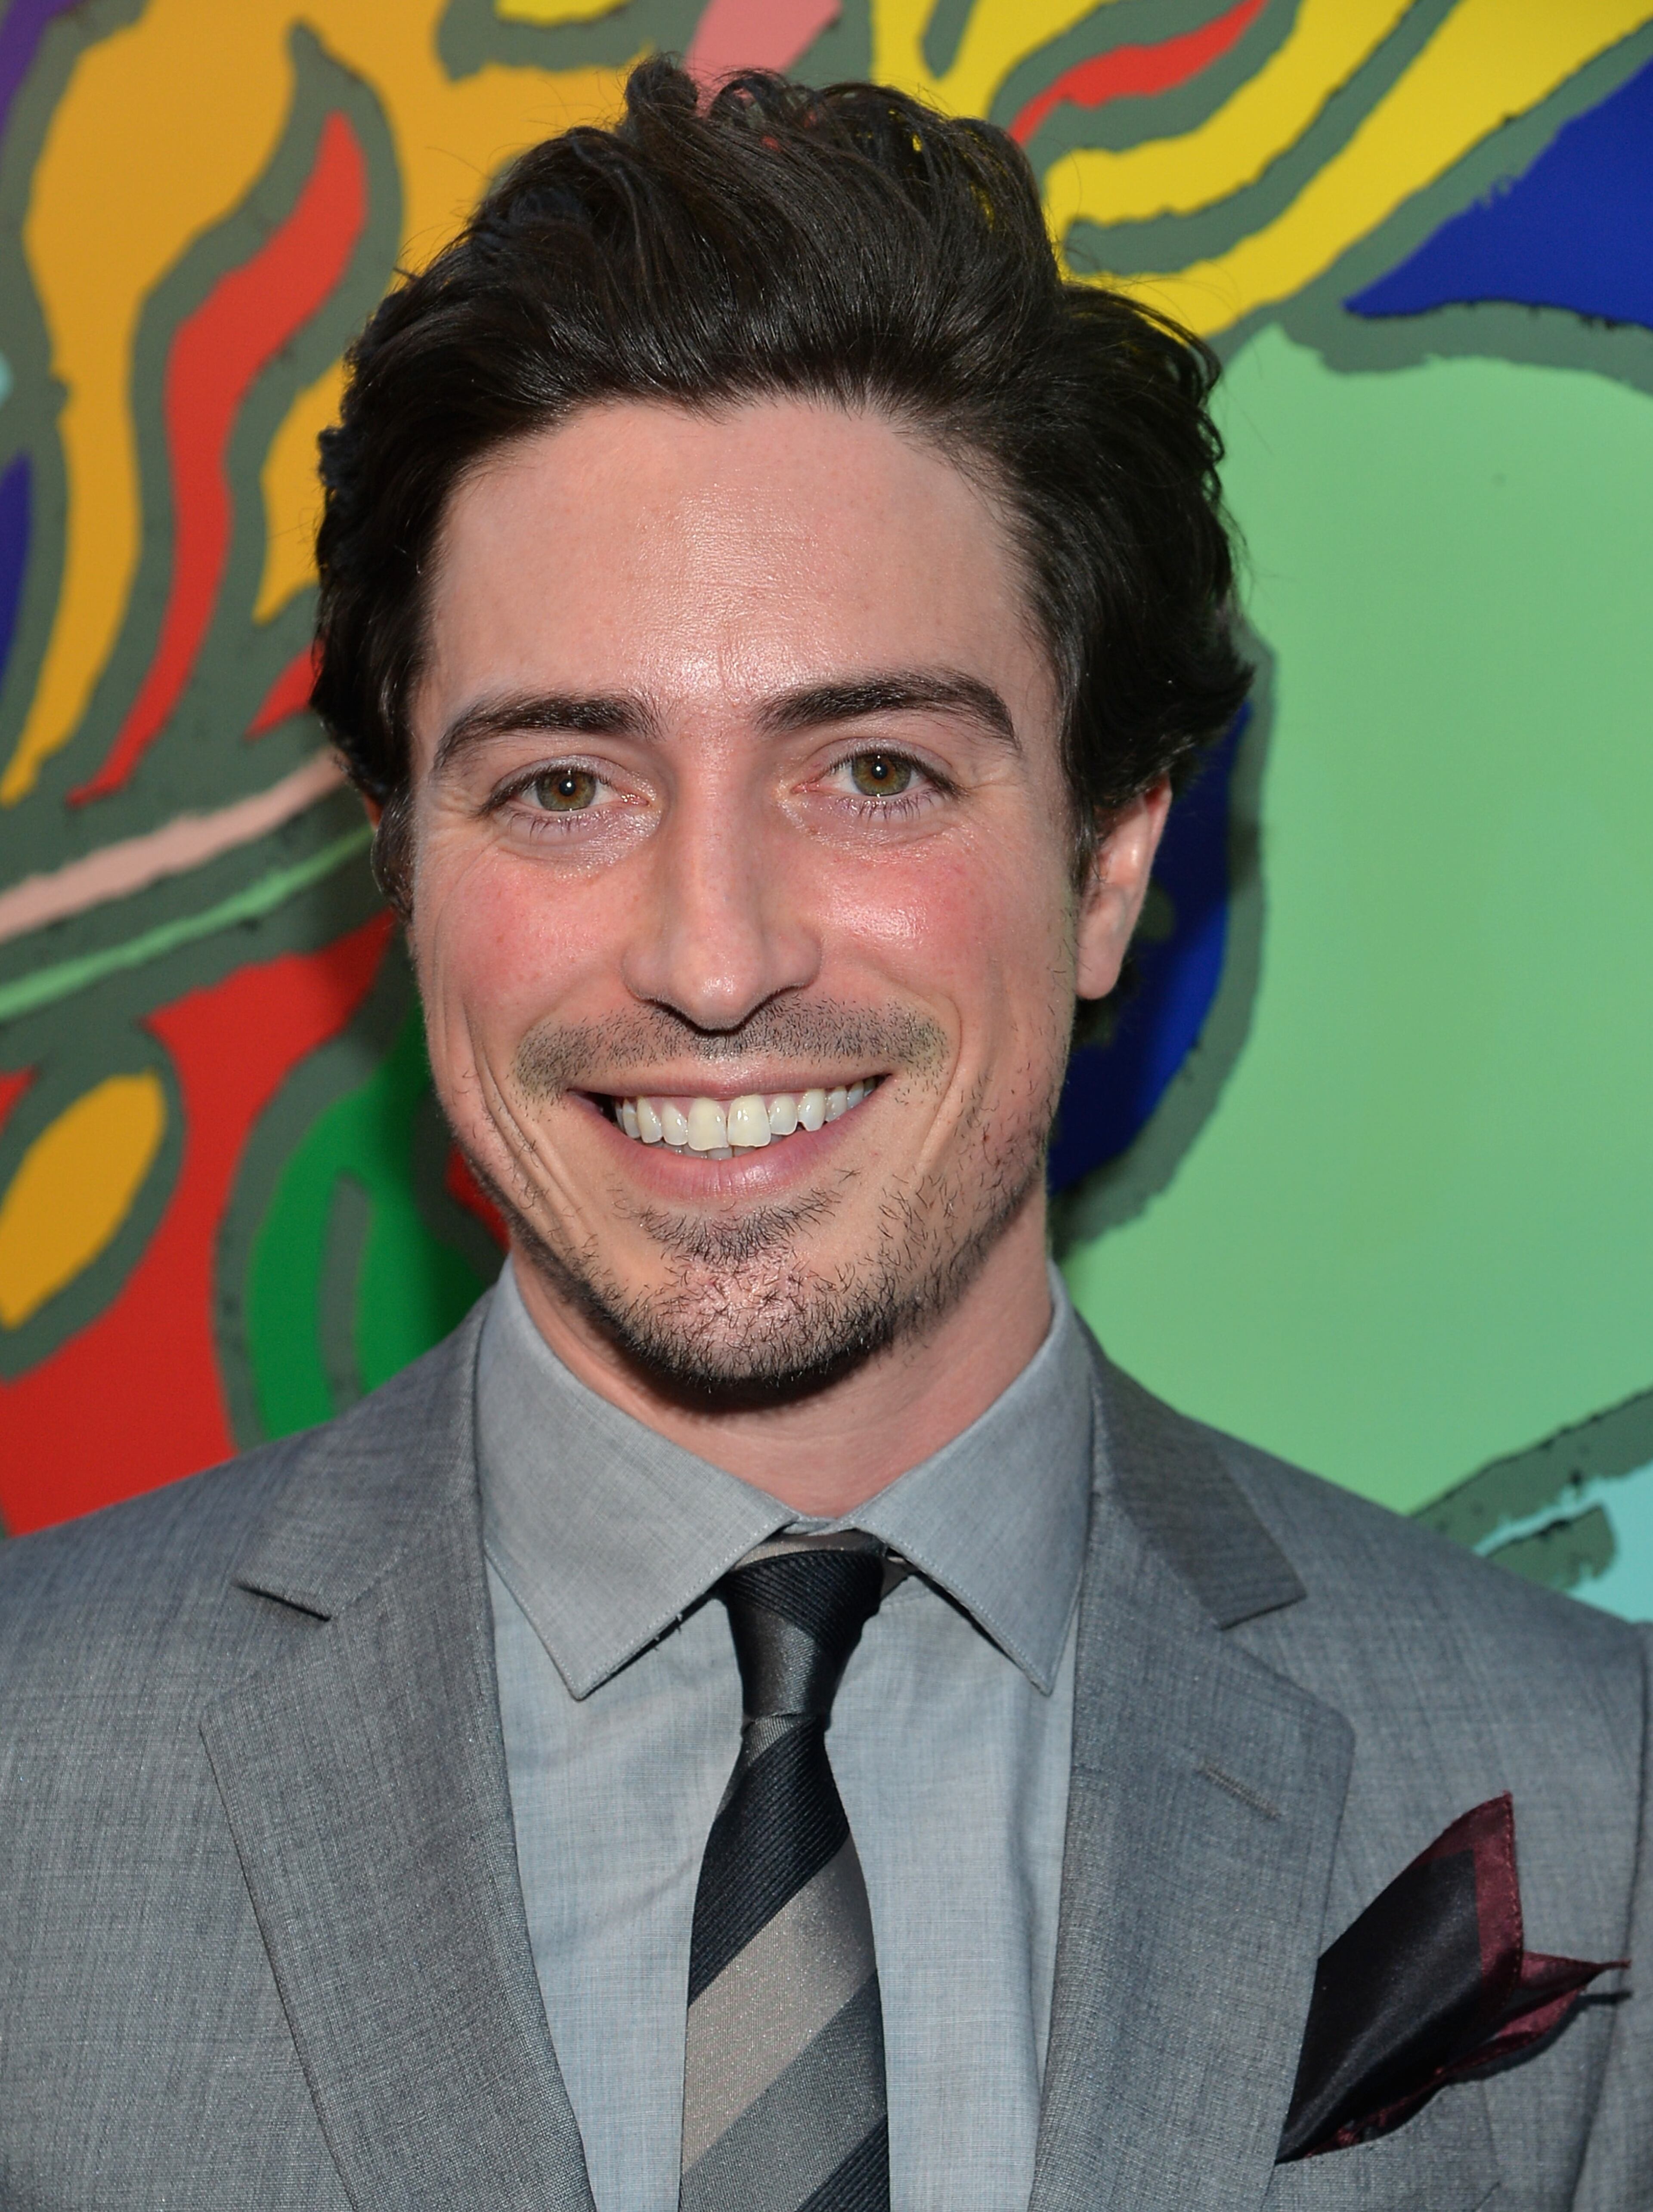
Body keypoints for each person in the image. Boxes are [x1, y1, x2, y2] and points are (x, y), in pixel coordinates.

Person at [1, 60, 1647, 2212]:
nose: (711, 954)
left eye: (871, 770)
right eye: (562, 785)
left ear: (1108, 859)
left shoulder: (1596, 1791)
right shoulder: (30, 1770)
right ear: (401, 861)